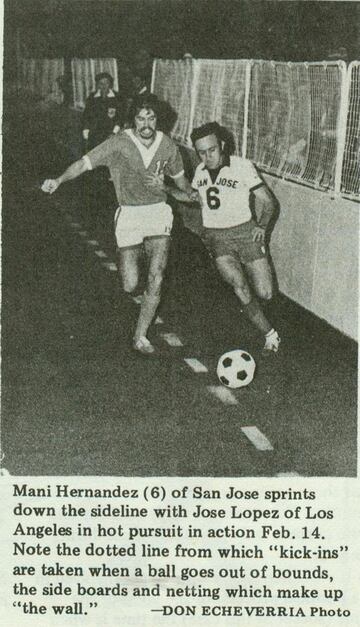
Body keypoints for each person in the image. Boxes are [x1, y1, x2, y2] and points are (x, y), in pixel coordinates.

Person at [41, 94, 193, 355]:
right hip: (130, 215)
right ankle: (139, 258)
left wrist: (175, 189)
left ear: (158, 119)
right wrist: (59, 179)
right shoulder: (118, 143)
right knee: (130, 285)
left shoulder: (167, 146)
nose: (146, 123)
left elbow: (184, 188)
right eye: (140, 118)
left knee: (156, 277)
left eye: (151, 118)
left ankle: (140, 336)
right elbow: (83, 164)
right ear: (132, 119)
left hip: (158, 212)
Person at [147, 121, 280, 353]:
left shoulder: (242, 166)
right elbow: (194, 198)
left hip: (246, 233)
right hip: (217, 238)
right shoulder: (200, 172)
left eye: (212, 150)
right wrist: (165, 188)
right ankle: (270, 335)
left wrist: (262, 226)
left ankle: (255, 310)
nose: (207, 157)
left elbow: (269, 202)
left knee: (265, 292)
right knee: (239, 285)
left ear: (222, 145)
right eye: (201, 152)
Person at [82, 72, 125, 150]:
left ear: (110, 84)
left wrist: (114, 133)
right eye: (101, 84)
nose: (104, 86)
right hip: (94, 134)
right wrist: (86, 136)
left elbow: (120, 118)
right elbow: (86, 117)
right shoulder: (92, 98)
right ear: (98, 85)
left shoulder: (118, 98)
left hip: (110, 133)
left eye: (106, 83)